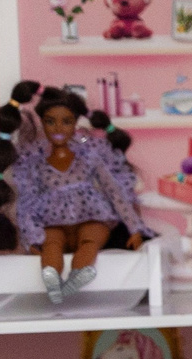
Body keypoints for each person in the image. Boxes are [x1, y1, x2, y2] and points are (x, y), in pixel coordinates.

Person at [12, 87, 144, 301]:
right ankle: (52, 280)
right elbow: (27, 200)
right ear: (42, 123)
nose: (58, 128)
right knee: (51, 243)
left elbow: (114, 191)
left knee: (90, 241)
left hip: (92, 216)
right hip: (53, 221)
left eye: (66, 121)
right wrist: (29, 239)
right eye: (50, 121)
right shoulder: (35, 161)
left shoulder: (88, 156)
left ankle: (78, 275)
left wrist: (133, 227)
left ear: (75, 124)